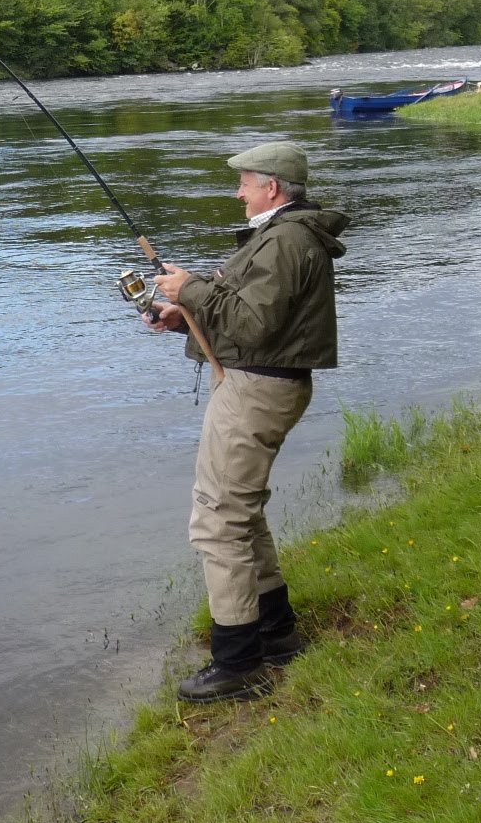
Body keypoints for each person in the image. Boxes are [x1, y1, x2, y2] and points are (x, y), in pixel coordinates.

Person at [145, 141, 349, 703]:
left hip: (257, 390)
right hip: (258, 382)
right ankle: (277, 633)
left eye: (245, 183)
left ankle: (237, 662)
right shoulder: (281, 236)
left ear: (273, 188)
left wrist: (187, 288)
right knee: (242, 512)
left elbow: (255, 326)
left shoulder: (284, 240)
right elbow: (255, 321)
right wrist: (184, 319)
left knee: (218, 523)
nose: (237, 192)